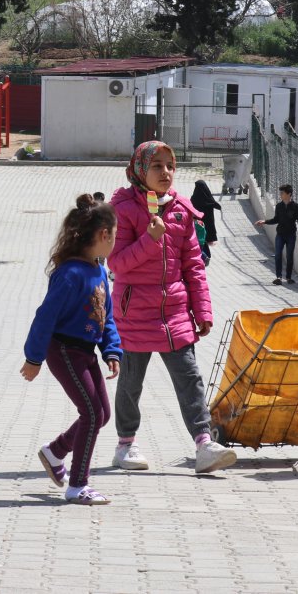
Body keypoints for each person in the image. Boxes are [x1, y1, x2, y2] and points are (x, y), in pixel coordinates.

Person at [108, 141, 241, 475]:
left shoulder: (182, 209)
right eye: (157, 166)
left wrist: (203, 311)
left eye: (170, 166)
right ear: (140, 170)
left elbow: (194, 266)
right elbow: (118, 264)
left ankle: (204, 444)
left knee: (190, 378)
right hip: (134, 313)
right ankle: (125, 445)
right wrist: (149, 239)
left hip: (175, 315)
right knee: (131, 383)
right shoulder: (123, 209)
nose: (165, 172)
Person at [21, 194, 123, 505]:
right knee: (91, 414)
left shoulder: (99, 271)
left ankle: (55, 452)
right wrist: (33, 358)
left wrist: (112, 351)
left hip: (86, 351)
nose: (115, 242)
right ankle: (78, 485)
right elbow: (45, 317)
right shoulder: (70, 274)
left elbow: (105, 316)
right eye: (115, 236)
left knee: (102, 414)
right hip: (63, 350)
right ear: (103, 235)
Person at [255, 184, 298, 284]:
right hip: (280, 235)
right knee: (278, 254)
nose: (280, 195)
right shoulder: (279, 206)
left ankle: (288, 277)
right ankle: (278, 277)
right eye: (280, 193)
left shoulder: (295, 207)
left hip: (291, 235)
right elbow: (276, 219)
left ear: (289, 194)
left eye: (282, 193)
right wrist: (264, 222)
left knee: (289, 256)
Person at [191, 180, 221, 264]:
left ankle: (204, 256)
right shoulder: (208, 197)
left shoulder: (194, 198)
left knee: (200, 241)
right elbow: (214, 203)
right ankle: (205, 255)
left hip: (198, 224)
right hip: (208, 223)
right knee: (204, 240)